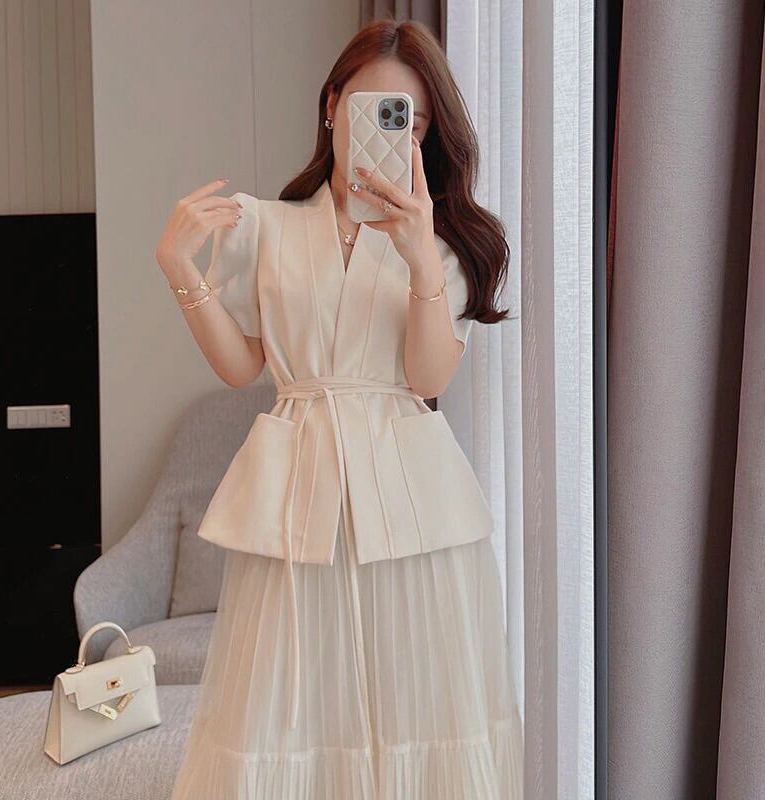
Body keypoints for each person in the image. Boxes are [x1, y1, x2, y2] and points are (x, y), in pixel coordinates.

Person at [157, 17, 523, 800]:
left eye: (411, 123)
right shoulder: (266, 226)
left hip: (413, 513)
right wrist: (178, 267)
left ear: (427, 136)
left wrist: (420, 255)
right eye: (372, 109)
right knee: (285, 715)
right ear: (332, 107)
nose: (392, 133)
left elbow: (427, 377)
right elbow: (240, 366)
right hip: (297, 502)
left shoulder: (446, 245)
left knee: (418, 719)